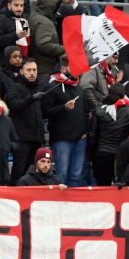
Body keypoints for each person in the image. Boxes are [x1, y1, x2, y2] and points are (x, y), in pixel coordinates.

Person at [42, 55, 92, 186]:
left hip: (80, 139)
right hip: (61, 139)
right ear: (63, 68)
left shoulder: (79, 88)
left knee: (76, 175)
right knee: (61, 176)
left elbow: (87, 112)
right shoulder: (52, 87)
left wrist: (86, 131)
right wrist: (63, 107)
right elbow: (45, 112)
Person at [0, 57, 44, 184]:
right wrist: (31, 98)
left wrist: (63, 107)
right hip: (22, 138)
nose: (32, 73)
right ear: (22, 72)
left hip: (37, 137)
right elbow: (15, 105)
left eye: (34, 70)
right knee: (19, 171)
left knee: (33, 174)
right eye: (29, 70)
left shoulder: (38, 89)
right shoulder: (15, 87)